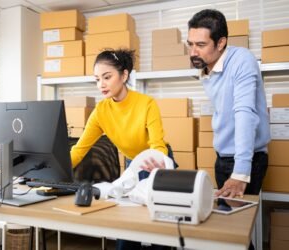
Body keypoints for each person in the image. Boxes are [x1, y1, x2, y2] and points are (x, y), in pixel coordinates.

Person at [70, 48, 173, 250]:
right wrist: (54, 169)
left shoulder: (146, 104)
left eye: (107, 77)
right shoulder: (101, 111)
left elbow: (158, 146)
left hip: (157, 162)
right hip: (132, 165)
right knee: (127, 229)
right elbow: (79, 150)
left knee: (160, 231)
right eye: (97, 79)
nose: (101, 85)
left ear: (124, 75)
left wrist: (158, 168)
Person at [187, 9, 270, 199]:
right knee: (224, 218)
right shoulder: (207, 64)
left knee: (239, 222)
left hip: (248, 158)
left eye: (201, 44)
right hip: (222, 156)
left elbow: (244, 113)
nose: (193, 52)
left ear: (221, 42)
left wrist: (241, 172)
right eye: (190, 44)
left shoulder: (242, 60)